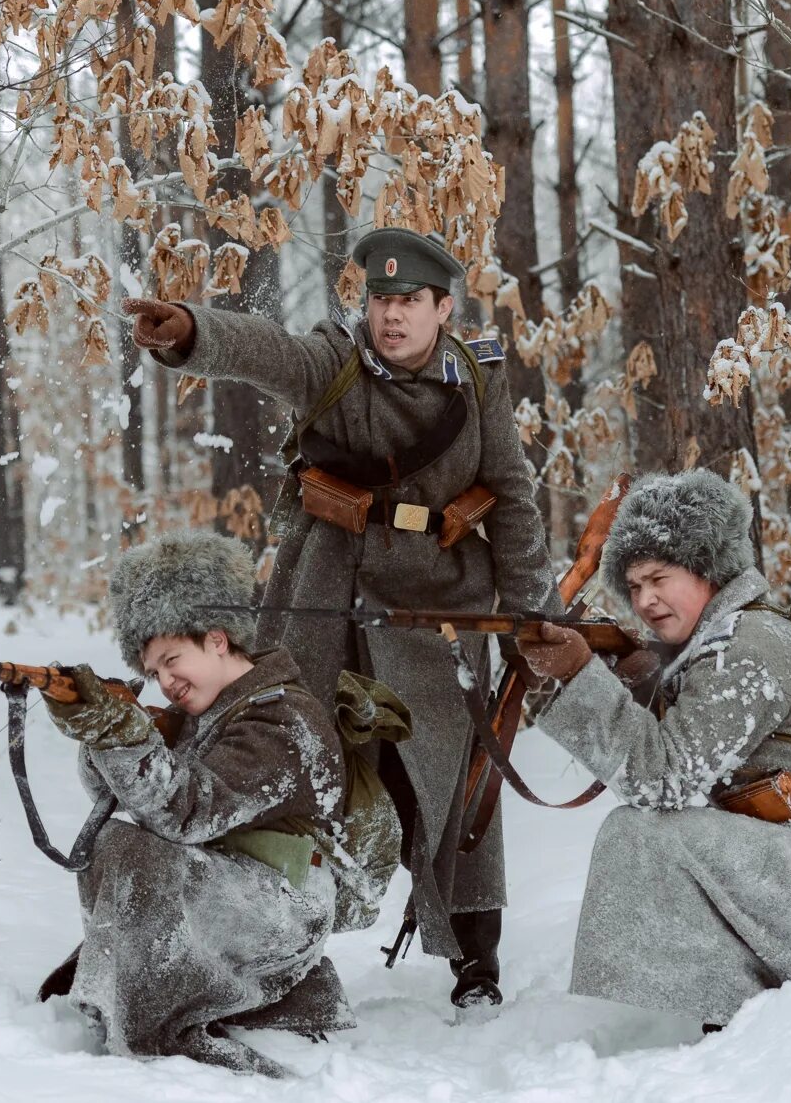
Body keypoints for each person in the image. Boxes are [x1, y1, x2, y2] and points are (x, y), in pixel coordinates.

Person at [122, 227, 559, 1010]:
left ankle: (476, 965)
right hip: (328, 596)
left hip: (438, 610)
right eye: (380, 299)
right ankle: (248, 943)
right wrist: (192, 333)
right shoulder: (339, 358)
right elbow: (269, 352)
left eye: (408, 302)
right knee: (279, 757)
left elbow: (515, 501)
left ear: (442, 308)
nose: (391, 316)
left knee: (456, 786)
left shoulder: (478, 382)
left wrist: (537, 616)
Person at [517, 469, 791, 1029]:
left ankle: (729, 1022)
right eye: (633, 587)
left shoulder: (743, 648)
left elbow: (663, 778)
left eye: (658, 578)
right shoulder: (750, 632)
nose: (645, 600)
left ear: (708, 568)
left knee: (641, 832)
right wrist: (638, 679)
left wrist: (580, 673)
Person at [40, 530, 351, 1076]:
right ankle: (180, 1001)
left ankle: (160, 1034)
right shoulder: (200, 718)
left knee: (129, 849)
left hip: (286, 902)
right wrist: (100, 734)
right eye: (153, 672)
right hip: (239, 887)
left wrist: (123, 735)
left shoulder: (284, 719)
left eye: (171, 659)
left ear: (217, 638)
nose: (164, 682)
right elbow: (124, 798)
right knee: (121, 842)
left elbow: (188, 812)